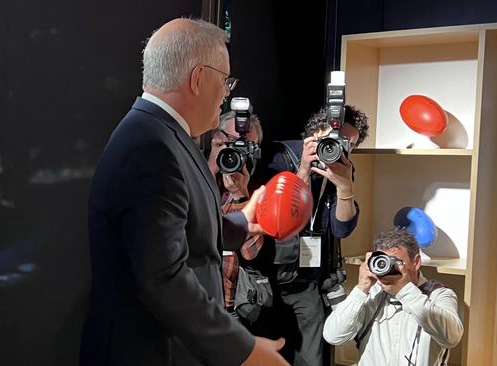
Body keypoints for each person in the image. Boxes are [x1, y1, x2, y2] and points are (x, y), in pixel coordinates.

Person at [80, 18, 288, 366]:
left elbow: (180, 227)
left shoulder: (159, 134)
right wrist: (245, 351)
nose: (227, 93)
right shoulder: (151, 147)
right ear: (197, 79)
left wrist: (242, 222)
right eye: (225, 81)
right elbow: (162, 276)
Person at [255, 105, 369, 365]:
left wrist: (345, 188)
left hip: (306, 280)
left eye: (347, 143)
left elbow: (341, 228)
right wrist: (304, 170)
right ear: (316, 132)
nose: (337, 147)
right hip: (269, 276)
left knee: (310, 357)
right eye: (334, 138)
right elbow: (280, 215)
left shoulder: (342, 168)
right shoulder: (281, 155)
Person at [323, 227, 464, 365]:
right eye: (382, 262)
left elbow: (451, 338)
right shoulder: (371, 294)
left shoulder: (439, 294)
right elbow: (333, 336)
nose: (388, 268)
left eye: (396, 262)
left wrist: (405, 291)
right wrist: (361, 289)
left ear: (416, 262)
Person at [206, 111, 265, 315]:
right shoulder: (190, 177)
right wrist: (209, 169)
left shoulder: (253, 190)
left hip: (227, 306)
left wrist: (241, 197)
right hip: (190, 302)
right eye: (229, 141)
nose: (234, 151)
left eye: (244, 147)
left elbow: (251, 252)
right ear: (215, 137)